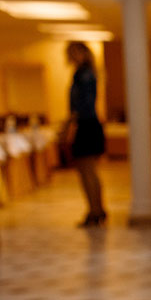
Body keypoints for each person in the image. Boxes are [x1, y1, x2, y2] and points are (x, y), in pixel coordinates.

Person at [66, 41, 107, 226]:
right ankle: (96, 209)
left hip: (86, 125)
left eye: (74, 52)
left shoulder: (83, 74)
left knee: (87, 169)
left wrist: (70, 123)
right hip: (88, 124)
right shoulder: (87, 73)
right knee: (88, 170)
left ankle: (95, 210)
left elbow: (82, 104)